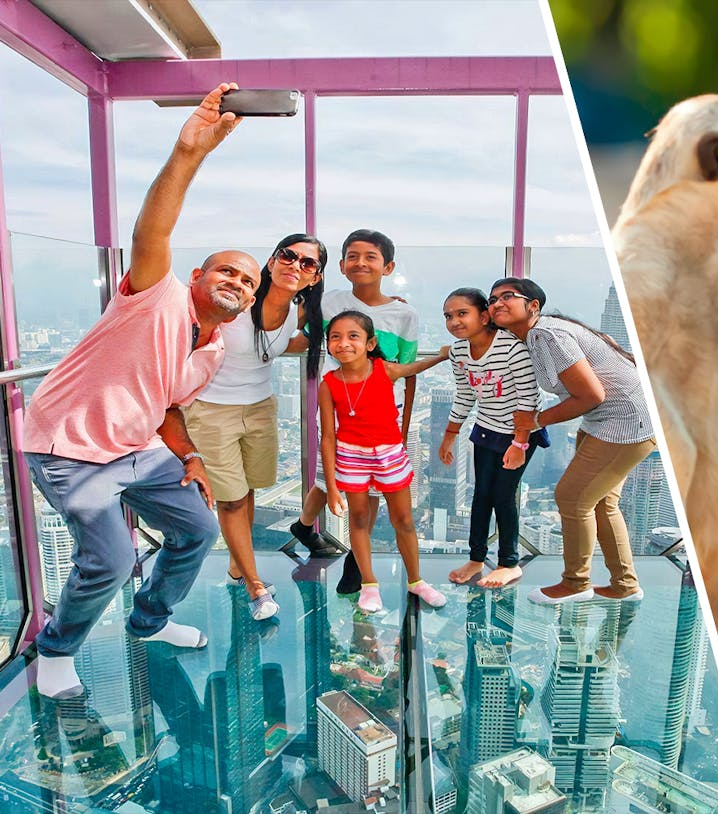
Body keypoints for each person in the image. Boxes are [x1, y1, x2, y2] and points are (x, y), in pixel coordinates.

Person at [21, 84, 259, 698]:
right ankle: (56, 648)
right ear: (198, 275)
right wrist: (189, 154)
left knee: (198, 531)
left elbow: (168, 409)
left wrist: (190, 457)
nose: (238, 280)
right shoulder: (155, 295)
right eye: (227, 269)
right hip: (69, 447)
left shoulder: (210, 351)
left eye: (249, 280)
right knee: (110, 559)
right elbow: (153, 226)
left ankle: (149, 622)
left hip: (135, 450)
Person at [486, 278, 655, 604]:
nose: (497, 304)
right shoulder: (535, 336)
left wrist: (536, 420)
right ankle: (625, 584)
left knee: (572, 498)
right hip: (608, 422)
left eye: (508, 296)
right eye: (493, 300)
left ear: (533, 306)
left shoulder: (546, 335)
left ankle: (576, 584)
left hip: (625, 425)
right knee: (603, 502)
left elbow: (592, 394)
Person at [184, 233, 326, 620]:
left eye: (308, 263)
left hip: (260, 409)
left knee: (247, 491)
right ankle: (254, 586)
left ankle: (236, 565)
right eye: (288, 255)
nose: (295, 265)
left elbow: (284, 343)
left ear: (314, 278)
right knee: (230, 499)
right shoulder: (239, 304)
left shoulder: (298, 314)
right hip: (212, 411)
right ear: (273, 260)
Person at [289, 230, 419, 597]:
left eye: (371, 256)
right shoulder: (331, 302)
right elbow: (303, 332)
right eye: (352, 256)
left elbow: (406, 373)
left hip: (381, 412)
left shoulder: (403, 313)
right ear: (343, 266)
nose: (361, 262)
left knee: (369, 490)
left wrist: (403, 430)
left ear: (387, 266)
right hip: (341, 404)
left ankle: (354, 564)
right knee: (325, 478)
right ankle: (305, 526)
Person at [320, 311, 450, 613]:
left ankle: (416, 581)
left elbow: (413, 367)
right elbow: (327, 436)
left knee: (403, 519)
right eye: (335, 337)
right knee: (360, 519)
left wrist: (442, 357)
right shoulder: (329, 384)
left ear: (370, 343)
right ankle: (369, 584)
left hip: (389, 452)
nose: (343, 343)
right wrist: (332, 486)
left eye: (353, 336)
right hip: (351, 455)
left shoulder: (383, 370)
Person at [441, 288, 549, 589]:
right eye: (448, 316)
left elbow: (529, 400)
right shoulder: (458, 352)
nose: (454, 321)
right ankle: (476, 558)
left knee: (503, 496)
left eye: (462, 313)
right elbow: (465, 394)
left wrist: (519, 444)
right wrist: (450, 434)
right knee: (481, 495)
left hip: (519, 432)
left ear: (484, 315)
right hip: (486, 428)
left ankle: (509, 563)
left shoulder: (512, 349)